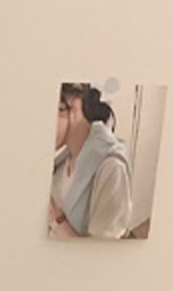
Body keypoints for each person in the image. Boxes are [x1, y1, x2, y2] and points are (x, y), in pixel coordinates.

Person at [50, 80, 133, 238]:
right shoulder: (63, 160)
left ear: (73, 103)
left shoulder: (111, 168)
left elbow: (101, 250)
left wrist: (56, 220)